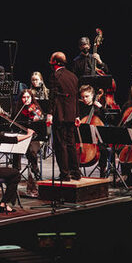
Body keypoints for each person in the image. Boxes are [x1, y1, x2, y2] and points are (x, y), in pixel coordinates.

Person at [46, 51, 81, 181]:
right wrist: (77, 115)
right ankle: (76, 172)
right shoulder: (73, 76)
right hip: (72, 116)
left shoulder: (55, 76)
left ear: (55, 63)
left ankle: (65, 174)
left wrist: (50, 114)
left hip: (59, 116)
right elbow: (76, 98)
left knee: (61, 145)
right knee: (71, 144)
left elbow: (53, 97)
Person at [77, 85, 108, 178]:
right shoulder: (80, 108)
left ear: (92, 95)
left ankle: (103, 171)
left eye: (87, 96)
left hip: (96, 139)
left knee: (103, 150)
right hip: (82, 138)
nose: (84, 99)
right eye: (82, 97)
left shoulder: (98, 109)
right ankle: (76, 172)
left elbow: (110, 119)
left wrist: (102, 108)